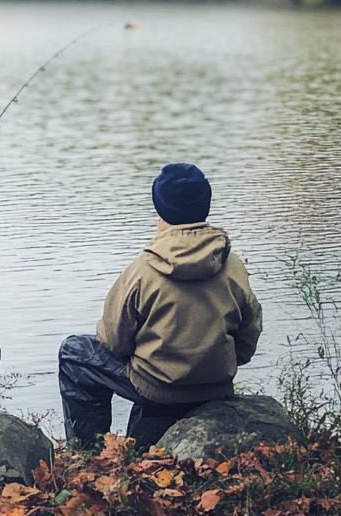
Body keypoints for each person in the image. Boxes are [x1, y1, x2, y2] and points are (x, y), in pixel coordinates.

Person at [58, 162, 262, 446]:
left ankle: (90, 449)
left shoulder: (143, 269)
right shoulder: (231, 264)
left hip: (157, 388)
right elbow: (248, 336)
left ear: (160, 213)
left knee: (73, 352)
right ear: (206, 208)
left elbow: (115, 341)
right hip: (216, 386)